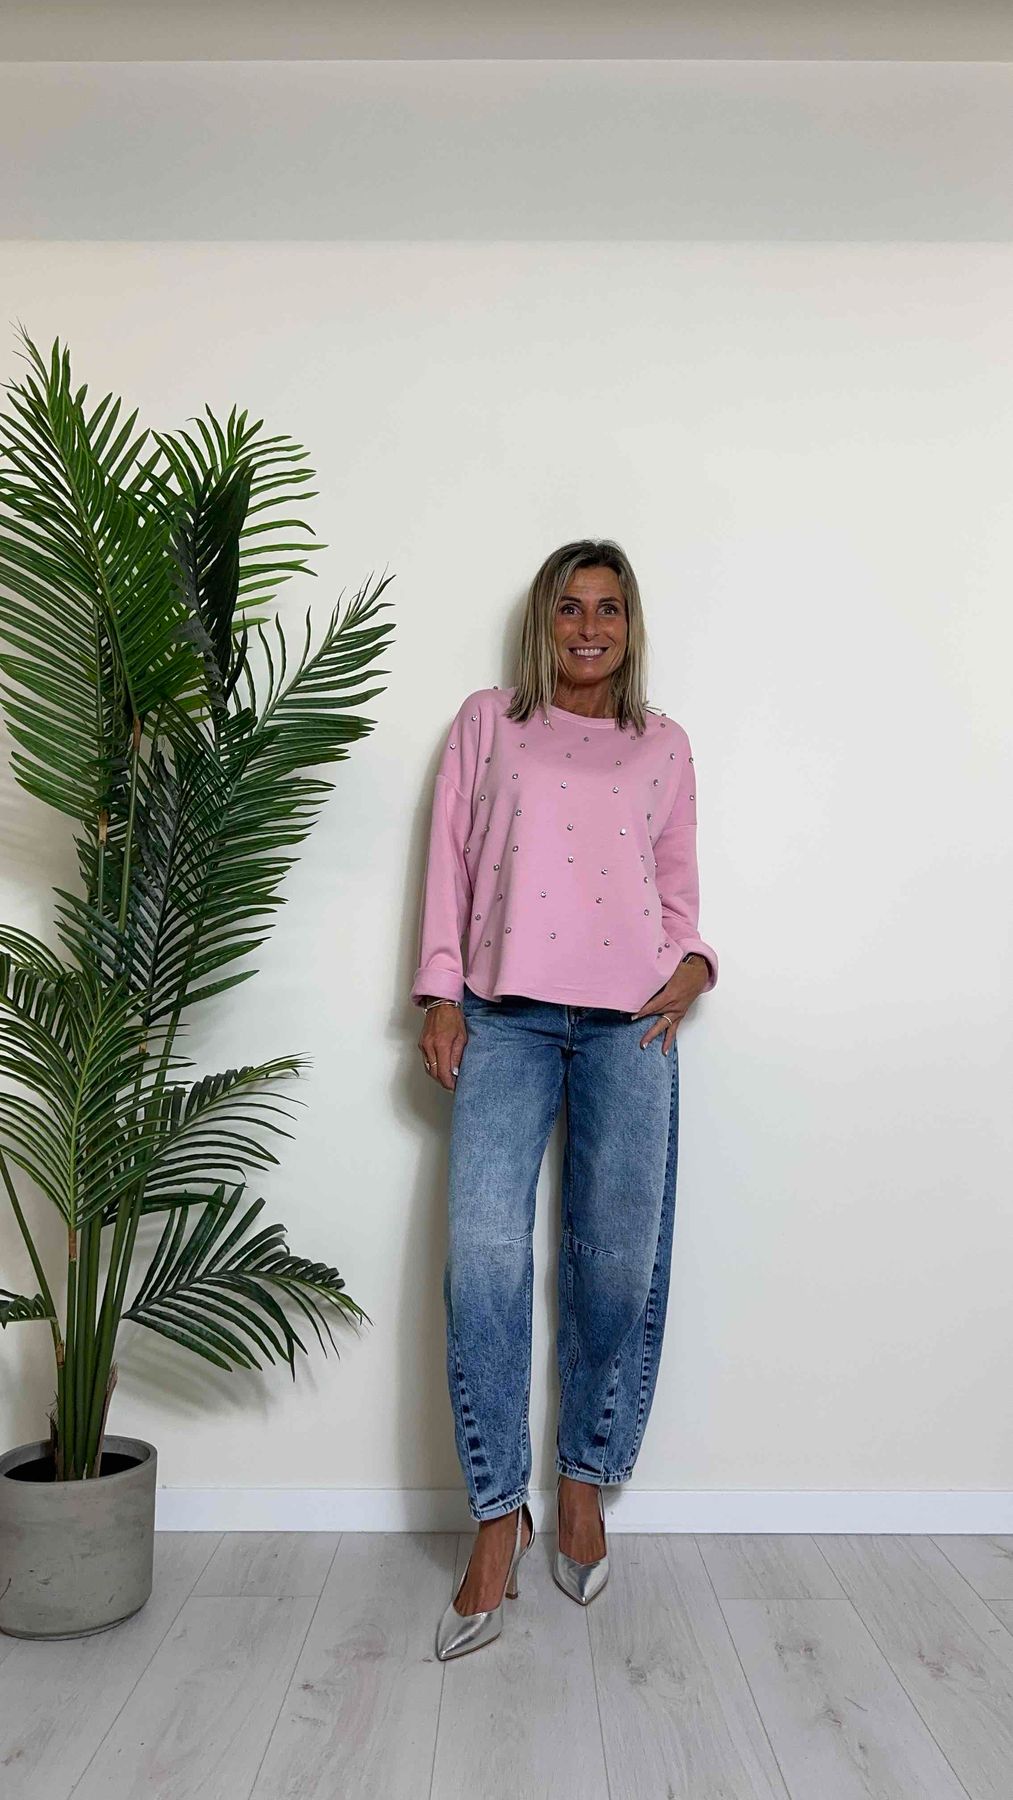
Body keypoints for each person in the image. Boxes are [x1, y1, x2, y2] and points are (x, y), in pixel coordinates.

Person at [410, 538, 718, 1661]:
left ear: (629, 627)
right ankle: (499, 1514)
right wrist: (438, 993)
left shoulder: (662, 744)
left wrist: (695, 965)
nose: (589, 628)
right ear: (542, 622)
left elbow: (677, 892)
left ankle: (582, 1480)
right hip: (504, 1017)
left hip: (632, 1022)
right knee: (484, 1258)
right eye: (569, 608)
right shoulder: (487, 723)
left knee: (617, 1261)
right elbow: (448, 863)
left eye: (609, 609)